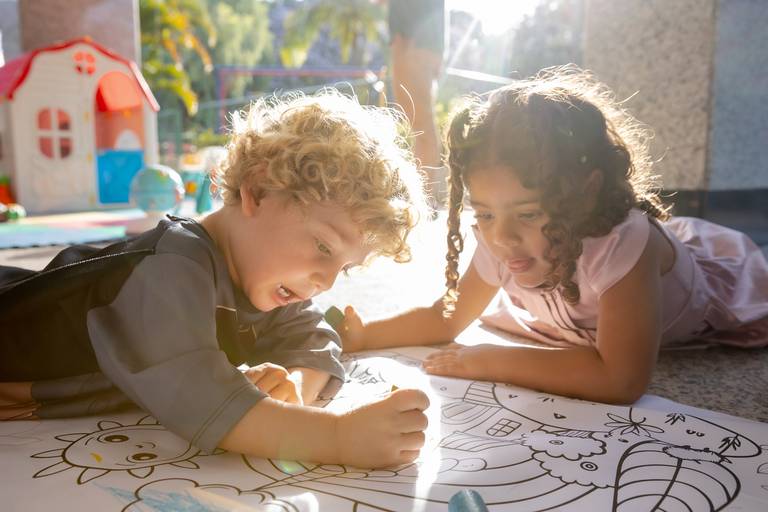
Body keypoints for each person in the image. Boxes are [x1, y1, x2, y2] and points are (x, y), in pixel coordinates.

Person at [0, 91, 430, 469]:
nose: (327, 281)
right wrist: (337, 437)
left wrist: (294, 386)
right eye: (323, 246)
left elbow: (316, 339)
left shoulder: (266, 278)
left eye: (346, 268)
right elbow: (204, 402)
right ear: (258, 190)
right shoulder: (170, 267)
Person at [338, 66, 768, 404]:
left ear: (586, 193)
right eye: (484, 213)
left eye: (528, 213)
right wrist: (364, 336)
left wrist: (492, 360)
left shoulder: (621, 245)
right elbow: (447, 317)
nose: (503, 236)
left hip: (713, 291)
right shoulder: (501, 236)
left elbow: (621, 379)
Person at [388, 0, 446, 206]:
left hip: (413, 41)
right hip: (417, 41)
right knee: (419, 126)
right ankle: (422, 200)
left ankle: (422, 202)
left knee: (421, 127)